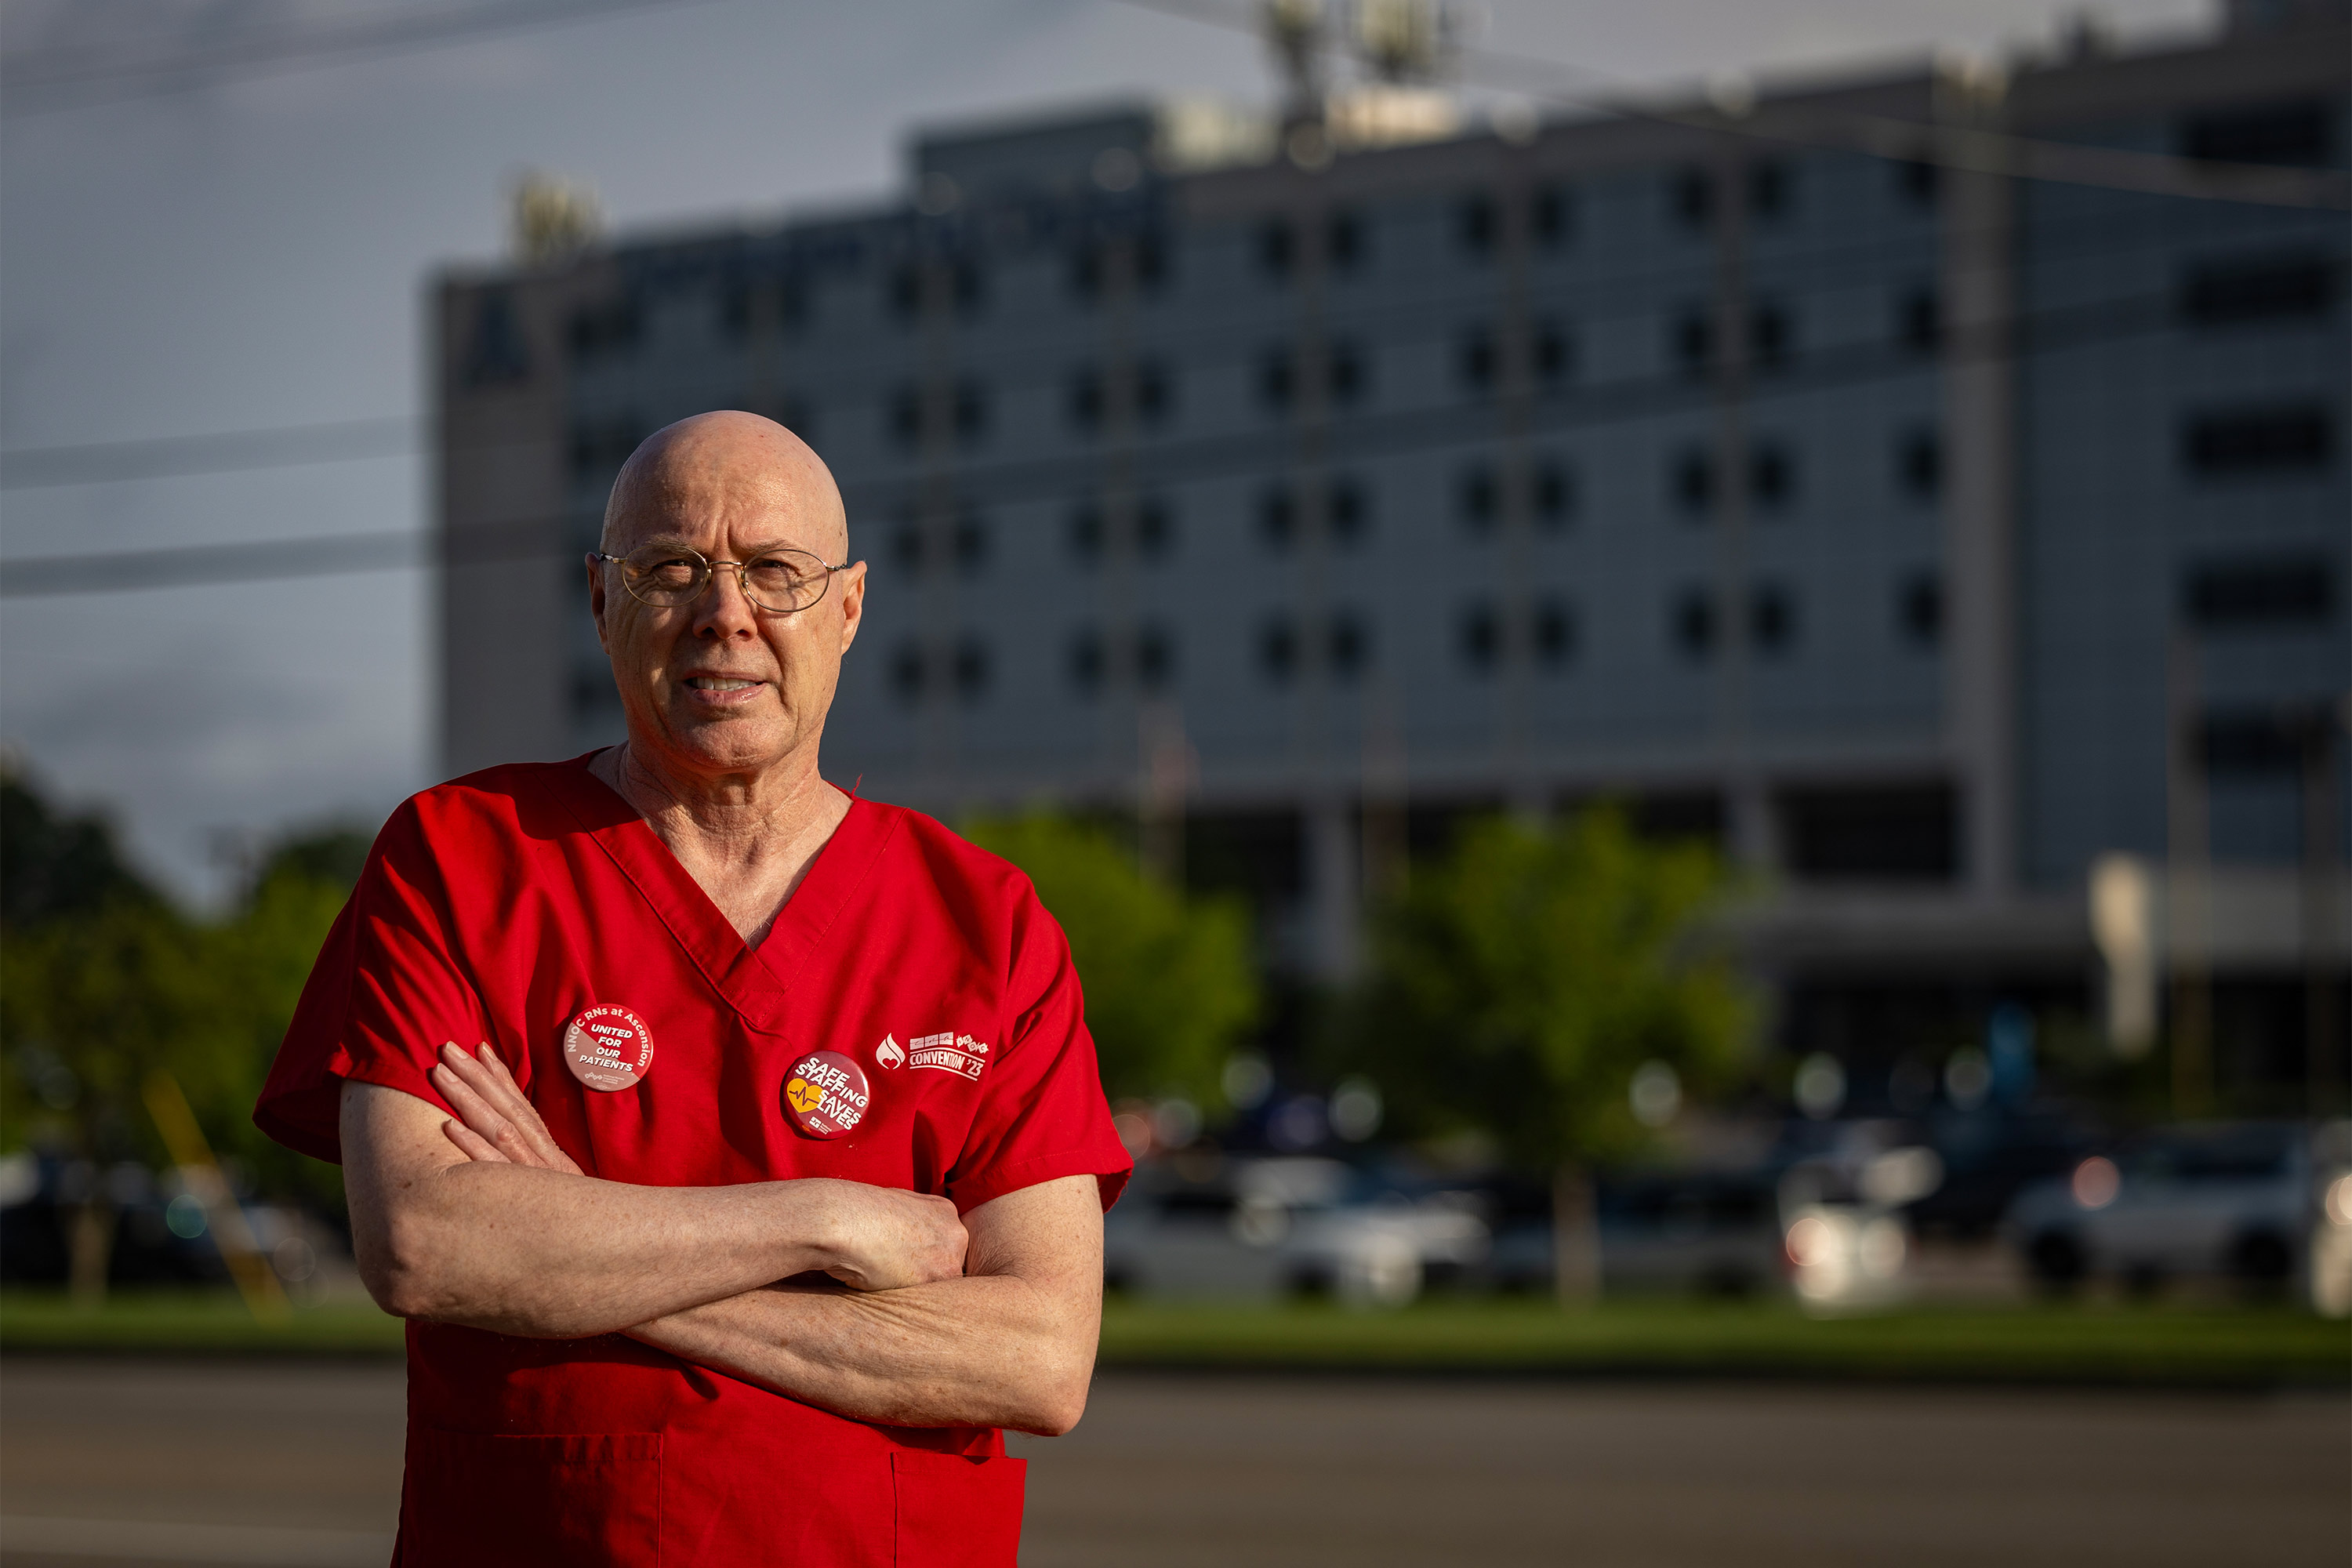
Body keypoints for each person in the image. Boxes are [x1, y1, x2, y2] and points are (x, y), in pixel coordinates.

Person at [253, 411, 1131, 1566]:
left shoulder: (989, 925)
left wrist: (571, 1235)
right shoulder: (462, 859)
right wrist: (825, 1217)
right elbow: (423, 1241)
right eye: (672, 569)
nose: (729, 615)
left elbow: (1038, 1358)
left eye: (777, 572)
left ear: (851, 608)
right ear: (600, 600)